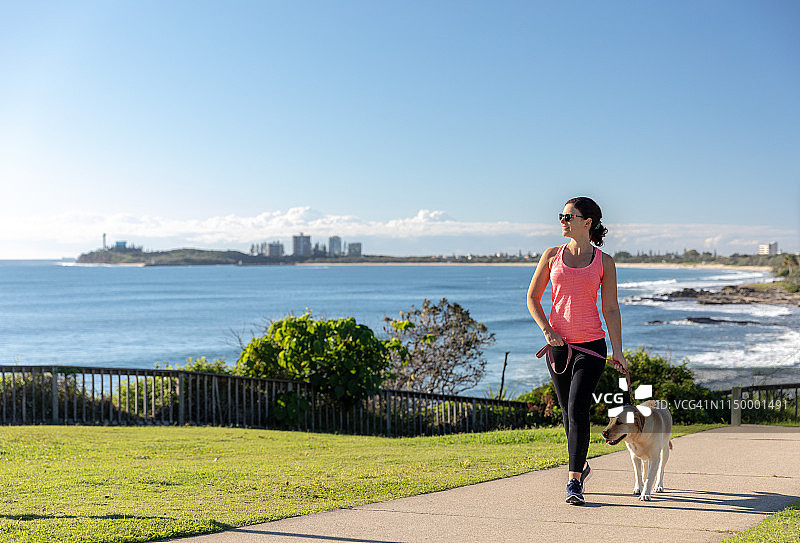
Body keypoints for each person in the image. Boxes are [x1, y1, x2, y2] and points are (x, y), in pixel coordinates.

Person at [526, 196, 627, 505]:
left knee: (577, 409)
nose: (563, 221)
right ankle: (580, 464)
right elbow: (532, 298)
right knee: (568, 414)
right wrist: (548, 330)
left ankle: (574, 482)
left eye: (569, 216)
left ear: (587, 222)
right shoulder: (551, 255)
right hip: (557, 346)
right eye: (562, 215)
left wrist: (618, 351)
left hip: (591, 347)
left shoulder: (604, 262)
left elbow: (610, 308)